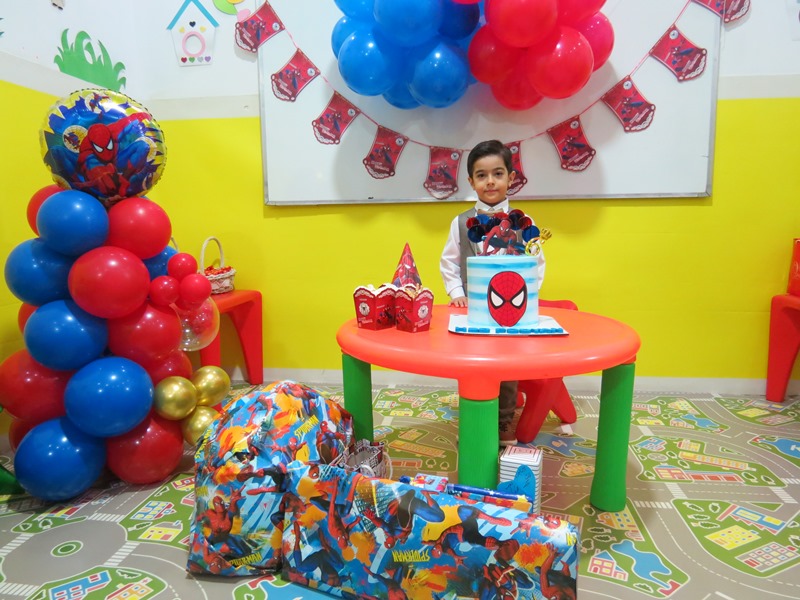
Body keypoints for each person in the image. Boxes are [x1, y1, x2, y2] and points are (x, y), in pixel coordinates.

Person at [439, 140, 546, 446]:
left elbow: (536, 262)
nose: (490, 181)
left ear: (510, 178)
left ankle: (503, 421)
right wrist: (456, 292)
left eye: (497, 174)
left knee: (507, 365)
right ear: (471, 181)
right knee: (472, 363)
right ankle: (474, 418)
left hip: (511, 308)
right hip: (474, 308)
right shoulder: (461, 222)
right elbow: (449, 262)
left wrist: (526, 297)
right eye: (481, 175)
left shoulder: (524, 222)